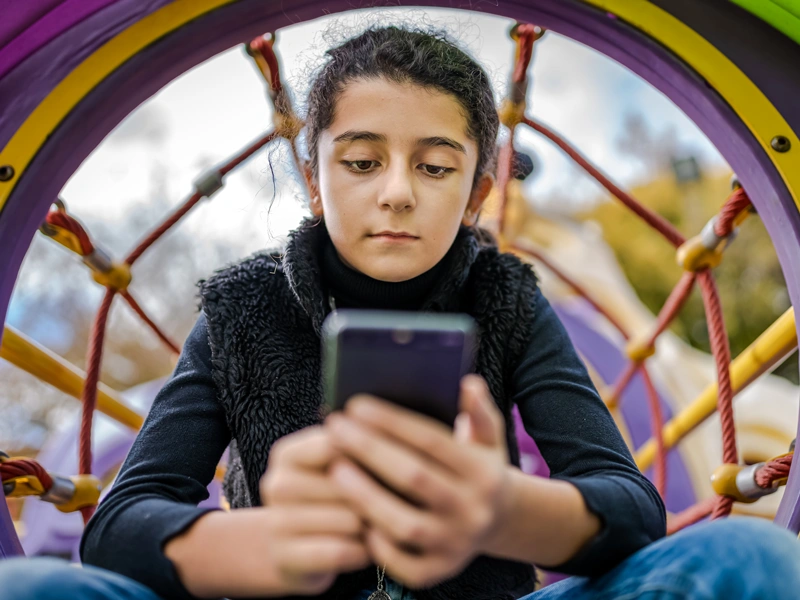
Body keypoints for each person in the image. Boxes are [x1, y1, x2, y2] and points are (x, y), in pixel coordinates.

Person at [1, 24, 799, 600]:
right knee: (31, 586)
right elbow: (121, 521)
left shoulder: (509, 301)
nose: (395, 190)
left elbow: (629, 507)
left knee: (747, 557)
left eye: (435, 165)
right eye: (361, 160)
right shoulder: (242, 309)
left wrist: (502, 509)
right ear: (316, 180)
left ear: (478, 191)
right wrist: (262, 546)